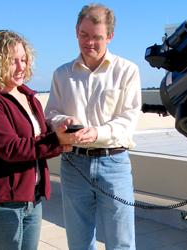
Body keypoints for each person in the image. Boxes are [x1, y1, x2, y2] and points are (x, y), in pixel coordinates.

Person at [45, 3, 142, 250]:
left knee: (121, 243)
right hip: (73, 165)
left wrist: (97, 132)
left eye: (97, 37)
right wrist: (61, 122)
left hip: (115, 165)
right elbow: (50, 114)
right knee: (78, 243)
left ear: (110, 36)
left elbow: (128, 120)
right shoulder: (61, 74)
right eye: (84, 35)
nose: (89, 43)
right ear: (76, 31)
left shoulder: (127, 71)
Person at [0, 30, 76, 250]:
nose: (21, 67)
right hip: (2, 204)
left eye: (24, 59)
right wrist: (56, 141)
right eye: (12, 61)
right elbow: (10, 148)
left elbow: (38, 141)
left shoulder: (29, 98)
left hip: (32, 200)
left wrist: (63, 135)